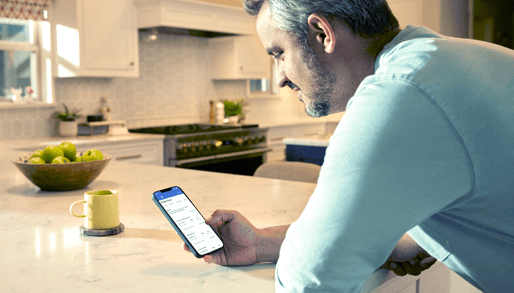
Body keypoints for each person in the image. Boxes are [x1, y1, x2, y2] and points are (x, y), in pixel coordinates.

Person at [183, 0, 514, 292]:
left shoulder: (401, 91)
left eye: (279, 54)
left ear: (323, 34)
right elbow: (408, 242)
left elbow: (311, 280)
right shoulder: (461, 59)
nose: (281, 77)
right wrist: (261, 242)